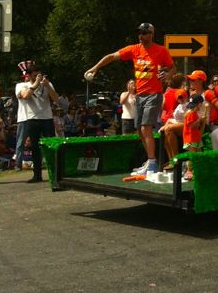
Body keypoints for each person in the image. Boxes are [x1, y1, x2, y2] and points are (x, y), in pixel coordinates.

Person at [84, 22, 174, 174]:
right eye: (139, 33)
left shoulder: (161, 50)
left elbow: (172, 67)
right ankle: (151, 160)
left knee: (146, 127)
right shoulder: (134, 49)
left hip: (154, 94)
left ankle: (152, 163)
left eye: (144, 33)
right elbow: (112, 56)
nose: (141, 36)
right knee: (139, 129)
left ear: (151, 34)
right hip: (140, 95)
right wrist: (95, 68)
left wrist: (167, 75)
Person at [14, 60, 60, 182]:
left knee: (51, 146)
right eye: (34, 76)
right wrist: (35, 84)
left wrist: (47, 86)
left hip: (47, 119)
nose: (37, 77)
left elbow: (56, 99)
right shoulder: (21, 85)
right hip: (32, 119)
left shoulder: (47, 84)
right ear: (28, 76)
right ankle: (37, 175)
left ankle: (54, 173)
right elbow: (25, 96)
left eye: (39, 75)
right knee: (35, 148)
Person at [181, 94, 206, 181]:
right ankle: (189, 171)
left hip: (195, 137)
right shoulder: (191, 113)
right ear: (198, 104)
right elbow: (191, 126)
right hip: (190, 138)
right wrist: (200, 120)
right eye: (201, 103)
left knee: (198, 154)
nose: (202, 105)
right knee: (193, 155)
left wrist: (202, 121)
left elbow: (198, 129)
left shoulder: (194, 113)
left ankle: (196, 171)